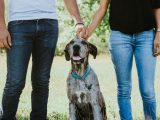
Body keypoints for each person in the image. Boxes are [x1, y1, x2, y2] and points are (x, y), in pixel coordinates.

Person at [0, 0, 86, 119]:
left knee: (41, 81)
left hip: (48, 23)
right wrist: (1, 27)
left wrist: (78, 20)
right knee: (15, 82)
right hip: (18, 24)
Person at [80, 0, 160, 119]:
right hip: (120, 37)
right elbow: (102, 8)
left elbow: (157, 6)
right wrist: (87, 33)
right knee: (124, 89)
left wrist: (159, 32)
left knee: (148, 91)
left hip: (146, 36)